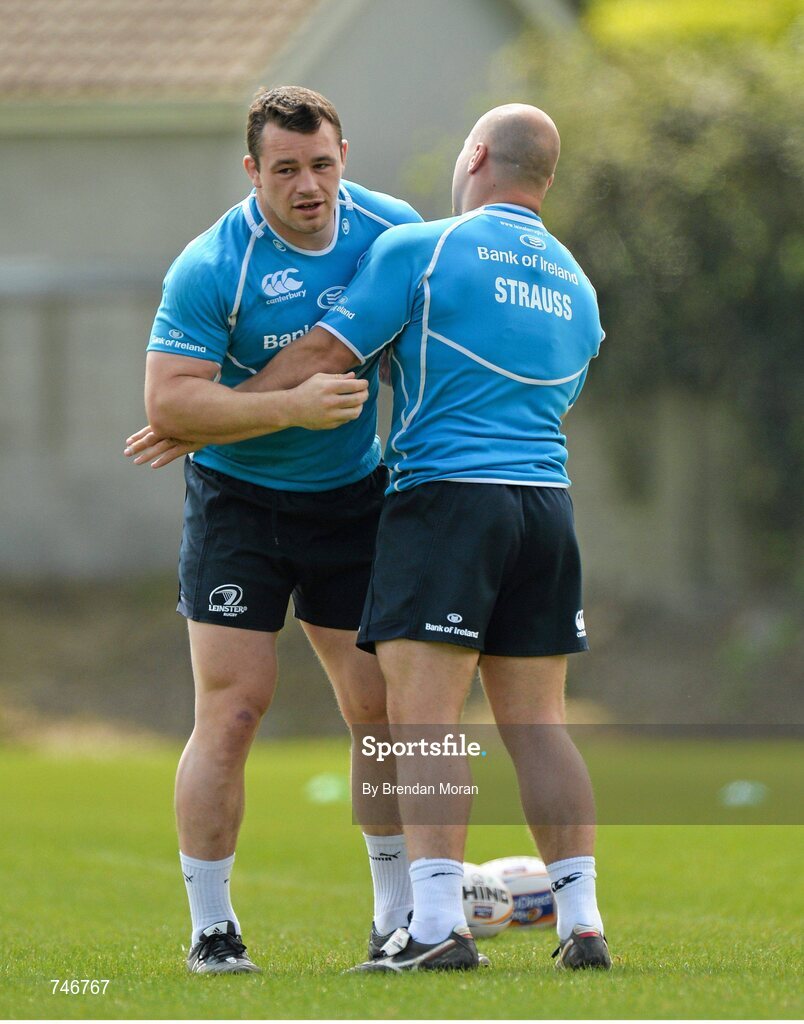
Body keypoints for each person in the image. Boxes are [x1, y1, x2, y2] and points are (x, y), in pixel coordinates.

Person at [196, 102, 612, 973]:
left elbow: (320, 355)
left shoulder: (424, 245)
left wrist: (213, 417)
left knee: (421, 722)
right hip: (548, 504)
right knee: (540, 722)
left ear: (475, 157)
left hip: (446, 501)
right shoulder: (577, 282)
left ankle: (432, 929)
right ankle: (582, 923)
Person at [127, 85, 425, 975]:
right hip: (237, 506)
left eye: (323, 164)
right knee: (233, 708)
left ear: (344, 158)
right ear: (252, 171)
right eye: (286, 169)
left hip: (354, 498)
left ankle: (398, 918)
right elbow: (168, 402)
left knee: (382, 709)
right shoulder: (213, 264)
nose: (310, 185)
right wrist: (291, 406)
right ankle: (212, 929)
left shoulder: (391, 230)